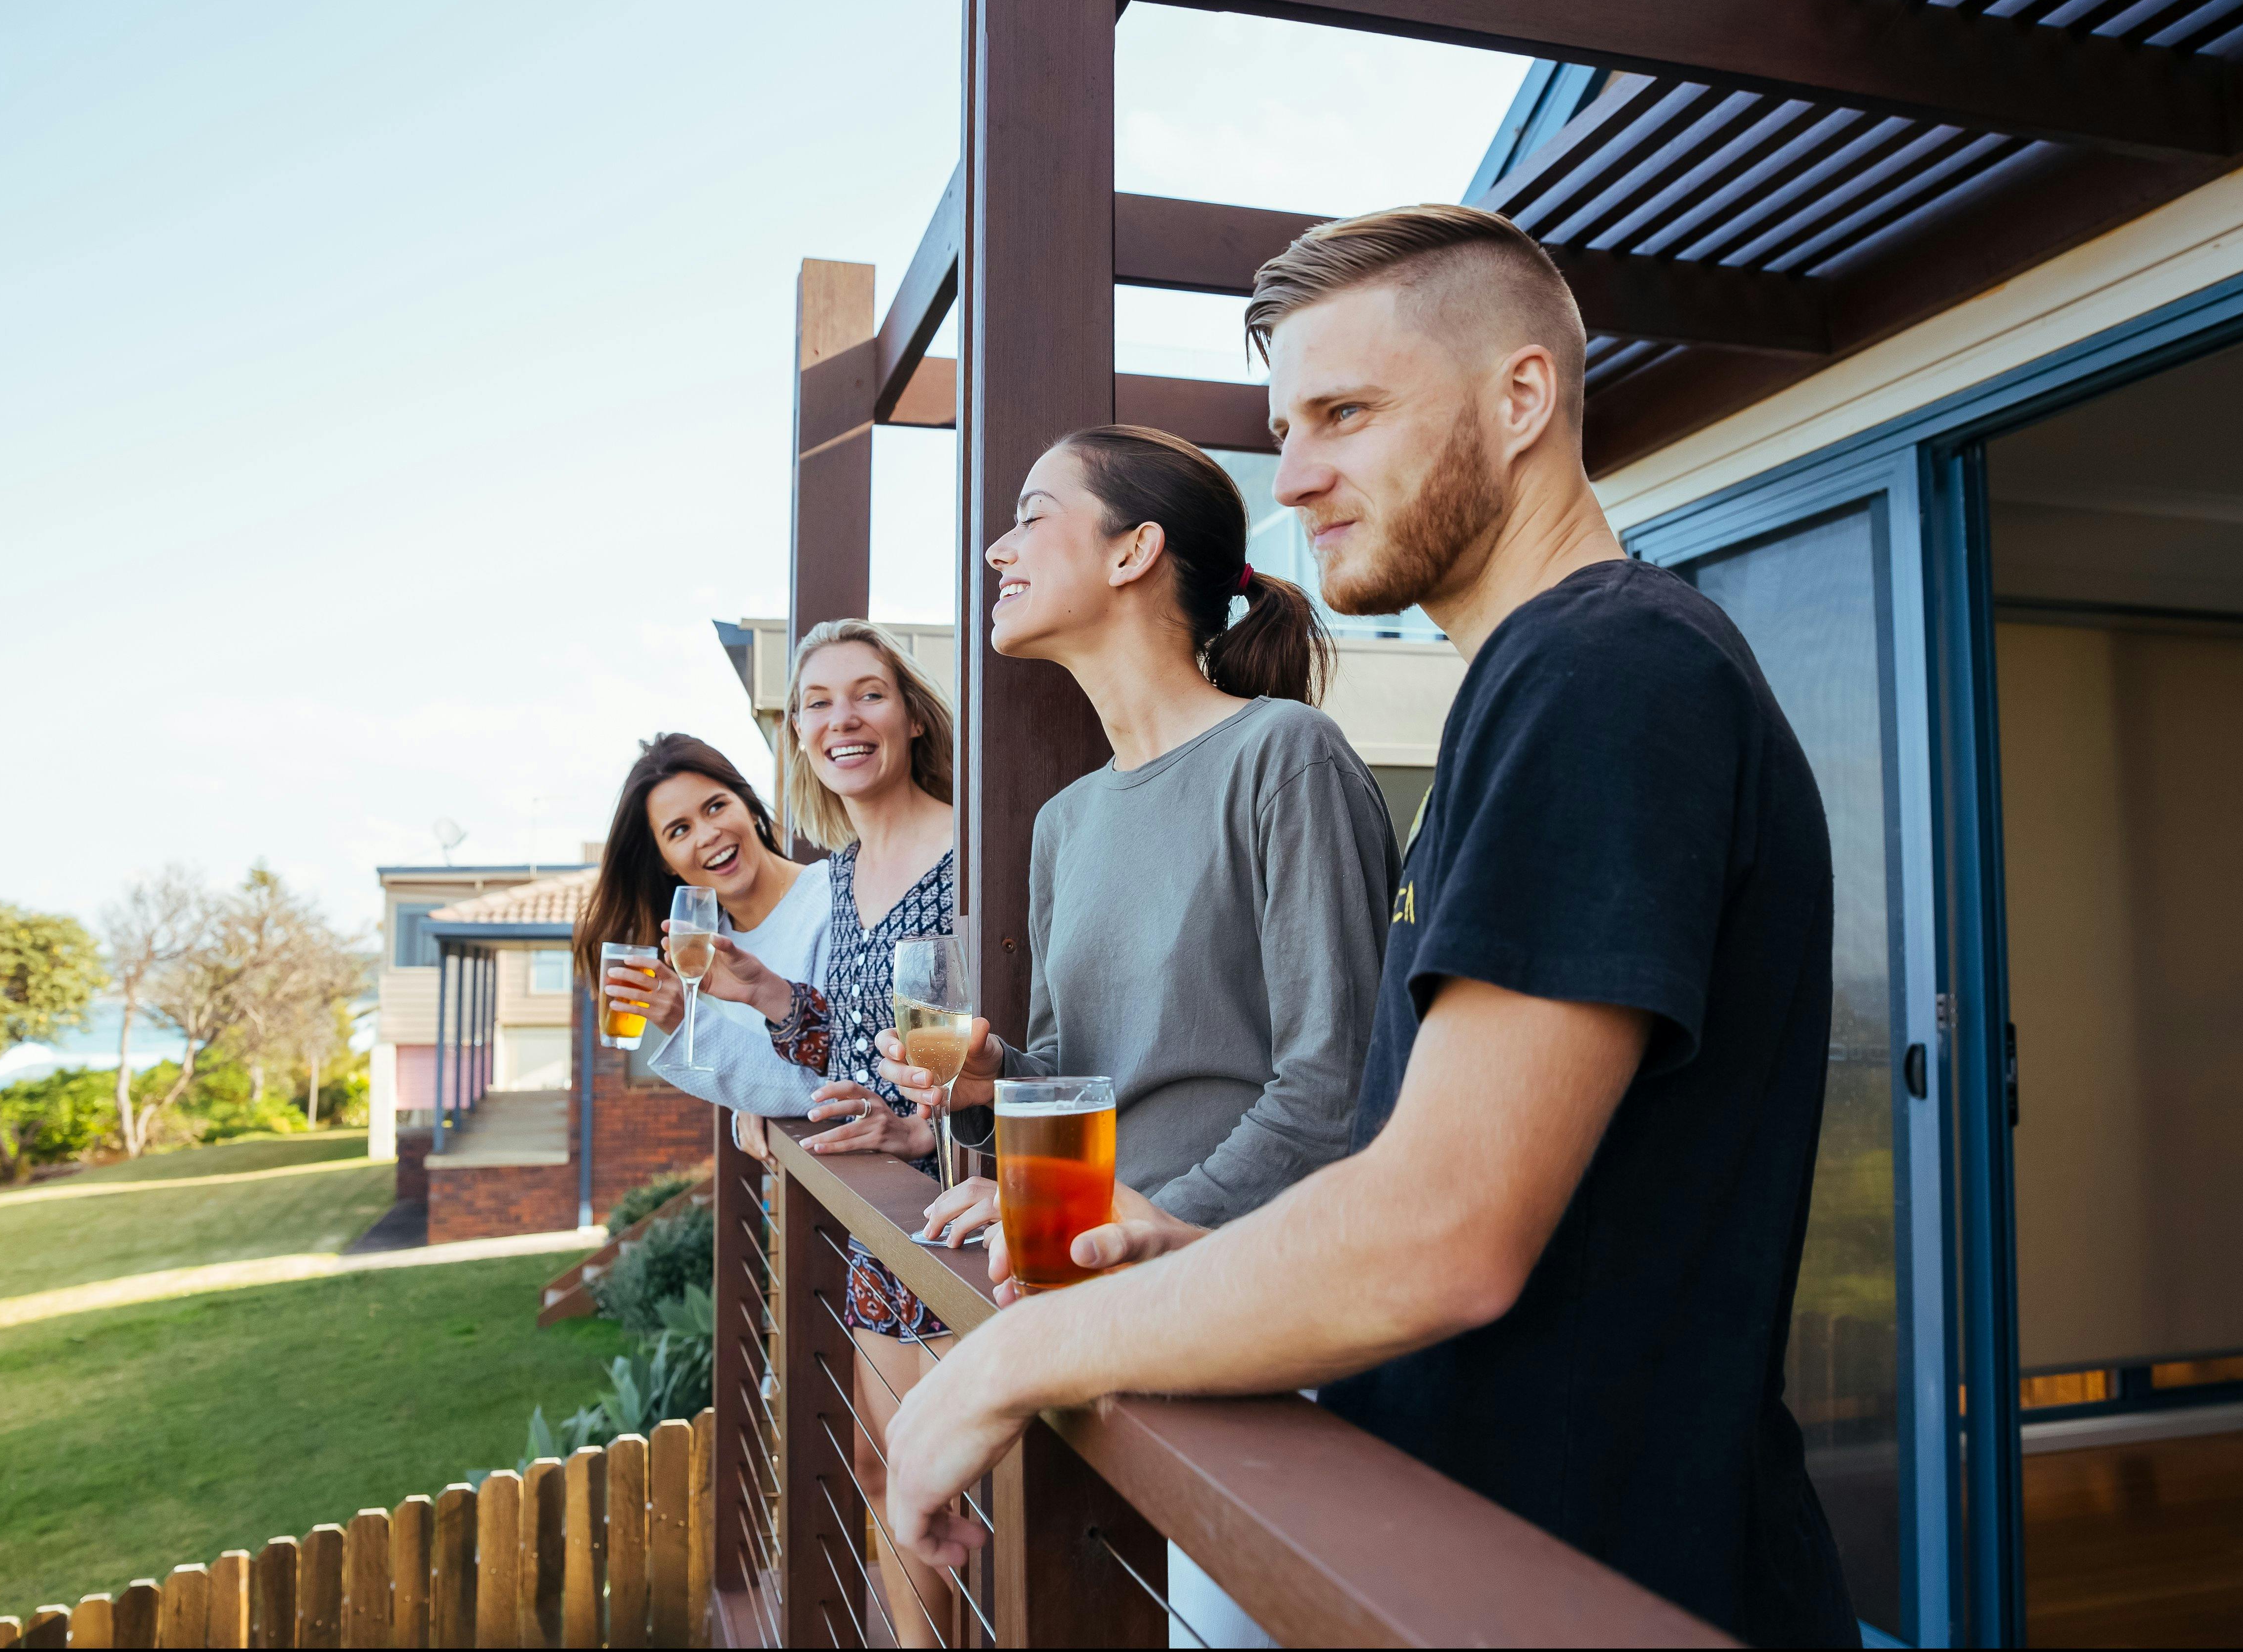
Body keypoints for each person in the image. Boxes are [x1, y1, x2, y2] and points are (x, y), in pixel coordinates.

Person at [881, 205, 1860, 1648]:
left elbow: (1445, 1228)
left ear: (1522, 396)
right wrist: (1174, 1241)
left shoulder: (1608, 673)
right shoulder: (1536, 686)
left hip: (1590, 1585)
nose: (1300, 476)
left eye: (1345, 412)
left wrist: (1008, 1359)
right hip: (1468, 1553)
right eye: (1288, 426)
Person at [888, 424, 1397, 1253]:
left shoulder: (1287, 756)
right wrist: (995, 1083)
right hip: (1096, 1268)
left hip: (1236, 1281)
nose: (996, 550)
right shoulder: (1066, 821)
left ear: (1133, 554)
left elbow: (1331, 1088)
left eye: (1031, 518)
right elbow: (1078, 1077)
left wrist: (1132, 1227)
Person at [688, 616, 960, 1649]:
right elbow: (853, 1046)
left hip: (955, 1225)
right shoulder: (842, 874)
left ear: (910, 718)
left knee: (946, 1494)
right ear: (797, 734)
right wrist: (764, 993)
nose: (842, 718)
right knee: (884, 1470)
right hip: (872, 1232)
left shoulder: (966, 851)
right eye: (817, 703)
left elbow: (991, 1049)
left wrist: (916, 1132)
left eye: (866, 694)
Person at [571, 733, 827, 1161]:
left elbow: (829, 1082)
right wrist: (750, 1099)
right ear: (665, 860)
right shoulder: (701, 948)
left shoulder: (832, 900)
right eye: (680, 830)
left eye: (716, 806)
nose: (708, 834)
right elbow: (766, 1073)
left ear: (746, 803)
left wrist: (685, 1021)